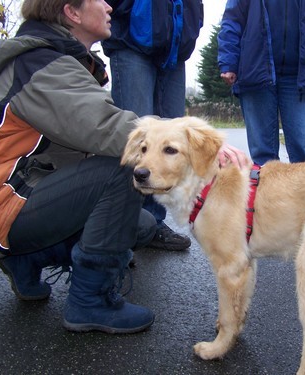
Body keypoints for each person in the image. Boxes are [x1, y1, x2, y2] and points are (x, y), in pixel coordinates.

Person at [0, 0, 245, 334]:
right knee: (125, 167)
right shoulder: (43, 63)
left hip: (21, 191)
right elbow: (108, 128)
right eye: (100, 0)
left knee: (141, 225)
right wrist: (197, 141)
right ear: (72, 12)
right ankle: (90, 300)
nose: (110, 5)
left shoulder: (66, 61)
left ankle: (25, 259)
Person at [101, 0, 204, 251]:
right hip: (132, 43)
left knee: (170, 141)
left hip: (174, 50)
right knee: (134, 137)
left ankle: (153, 224)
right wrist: (128, 12)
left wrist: (190, 26)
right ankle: (121, 229)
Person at [218, 0, 305, 166]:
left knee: (304, 146)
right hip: (255, 70)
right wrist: (228, 62)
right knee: (263, 156)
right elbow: (232, 21)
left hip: (300, 76)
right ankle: (267, 192)